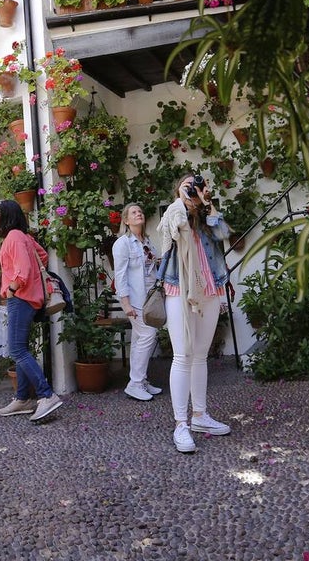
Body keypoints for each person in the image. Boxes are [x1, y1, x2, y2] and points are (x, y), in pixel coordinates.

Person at [156, 173, 232, 454]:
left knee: (200, 354)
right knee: (182, 354)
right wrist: (182, 199)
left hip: (210, 287)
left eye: (196, 185)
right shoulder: (174, 212)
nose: (193, 190)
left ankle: (199, 416)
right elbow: (170, 230)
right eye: (188, 185)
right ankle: (180, 424)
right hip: (180, 288)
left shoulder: (208, 214)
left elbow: (224, 233)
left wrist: (206, 203)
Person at [0, 199, 64, 422]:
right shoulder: (24, 237)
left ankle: (46, 395)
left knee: (17, 350)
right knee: (20, 348)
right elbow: (42, 256)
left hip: (20, 298)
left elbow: (23, 270)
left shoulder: (13, 237)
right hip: (28, 298)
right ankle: (22, 398)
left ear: (7, 216)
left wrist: (13, 287)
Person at [111, 203, 163, 402]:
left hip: (151, 297)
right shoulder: (122, 244)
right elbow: (121, 275)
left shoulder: (147, 242)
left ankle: (140, 381)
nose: (138, 214)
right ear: (126, 220)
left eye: (140, 211)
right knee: (149, 335)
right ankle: (135, 383)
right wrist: (125, 304)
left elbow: (150, 268)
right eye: (133, 212)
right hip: (136, 299)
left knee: (140, 340)